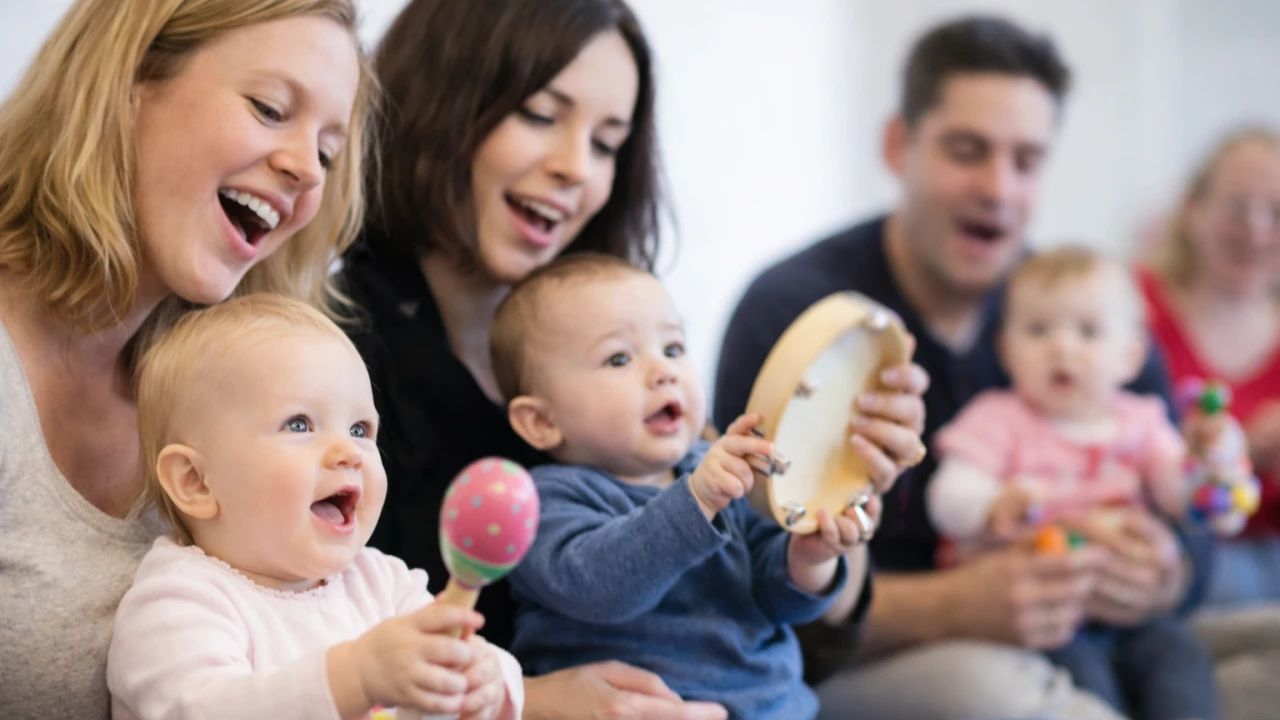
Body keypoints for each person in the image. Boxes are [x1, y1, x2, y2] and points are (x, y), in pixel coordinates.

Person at [339, 1, 929, 718]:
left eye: (607, 143)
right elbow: (301, 657)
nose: (575, 169)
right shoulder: (336, 359)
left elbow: (797, 624)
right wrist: (525, 701)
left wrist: (837, 479)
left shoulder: (657, 402)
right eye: (540, 115)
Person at [715, 15, 1213, 720]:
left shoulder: (1082, 312)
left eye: (1026, 161)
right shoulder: (799, 313)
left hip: (1100, 631)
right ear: (898, 145)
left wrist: (1165, 574)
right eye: (966, 151)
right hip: (861, 663)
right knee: (1003, 695)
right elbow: (737, 583)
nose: (998, 188)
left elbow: (1193, 523)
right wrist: (953, 605)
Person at [0, 1, 375, 717]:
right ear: (128, 83)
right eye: (270, 109)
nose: (306, 170)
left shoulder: (237, 397)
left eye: (327, 152)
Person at [493, 254, 886, 719]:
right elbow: (598, 590)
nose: (664, 371)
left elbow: (782, 603)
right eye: (619, 358)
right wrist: (695, 501)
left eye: (673, 348)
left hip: (774, 707)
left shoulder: (719, 470)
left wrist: (809, 558)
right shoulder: (539, 502)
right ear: (541, 422)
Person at [107, 294, 522, 720]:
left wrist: (485, 683)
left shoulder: (381, 582)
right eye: (300, 424)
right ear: (196, 482)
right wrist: (354, 679)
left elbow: (454, 664)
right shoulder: (177, 603)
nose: (350, 452)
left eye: (360, 429)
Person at [927, 247, 1218, 720]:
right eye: (1038, 330)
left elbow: (1178, 493)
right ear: (1005, 350)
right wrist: (992, 504)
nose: (1062, 348)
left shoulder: (1142, 422)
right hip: (1044, 616)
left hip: (1131, 610)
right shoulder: (997, 419)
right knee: (1084, 685)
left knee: (1181, 659)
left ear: (1131, 355)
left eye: (1088, 331)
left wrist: (1206, 469)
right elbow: (946, 496)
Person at [1138, 126, 1280, 720]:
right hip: (1175, 550)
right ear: (1194, 209)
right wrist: (1231, 450)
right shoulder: (1133, 310)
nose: (1257, 230)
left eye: (1275, 213)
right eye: (1238, 208)